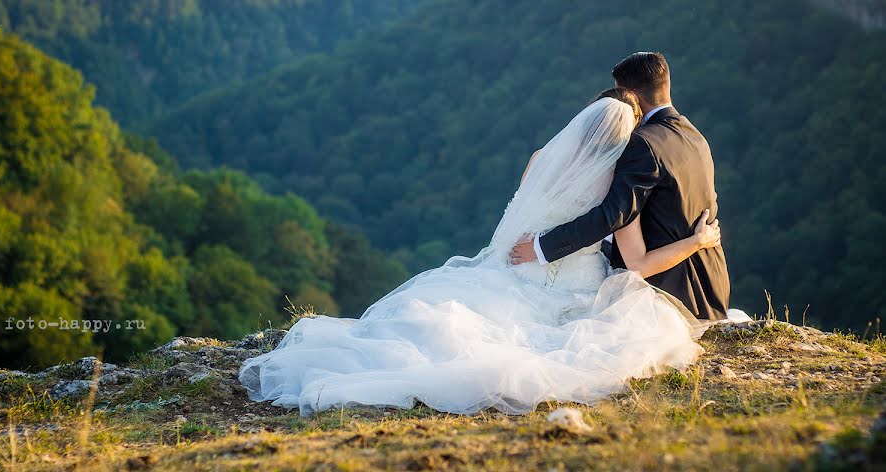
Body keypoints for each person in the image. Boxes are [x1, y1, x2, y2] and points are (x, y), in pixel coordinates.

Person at [240, 84, 726, 416]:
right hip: (567, 283)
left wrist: (534, 249)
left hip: (507, 268)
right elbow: (637, 264)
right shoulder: (616, 190)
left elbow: (528, 214)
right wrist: (697, 241)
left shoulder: (542, 161)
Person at [512, 52, 731, 321]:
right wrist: (699, 241)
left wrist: (541, 248)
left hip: (672, 289)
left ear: (630, 97)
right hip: (711, 283)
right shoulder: (695, 135)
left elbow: (613, 215)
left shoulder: (641, 144)